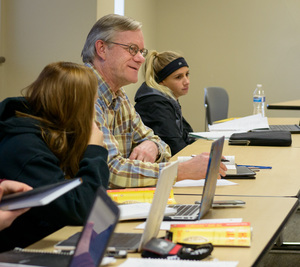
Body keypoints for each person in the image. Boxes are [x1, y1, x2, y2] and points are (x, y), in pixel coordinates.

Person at [81, 14, 226, 189]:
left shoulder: (118, 94)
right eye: (132, 49)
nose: (141, 59)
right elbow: (109, 171)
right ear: (102, 49)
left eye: (141, 52)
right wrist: (181, 171)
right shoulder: (83, 93)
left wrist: (152, 146)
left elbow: (161, 143)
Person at [0, 62, 109, 252]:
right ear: (78, 108)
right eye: (93, 103)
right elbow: (83, 210)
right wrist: (94, 150)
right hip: (23, 253)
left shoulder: (46, 133)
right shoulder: (25, 147)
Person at [135, 50, 196, 155]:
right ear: (161, 81)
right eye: (178, 77)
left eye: (187, 74)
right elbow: (176, 147)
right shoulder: (154, 104)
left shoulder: (167, 100)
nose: (187, 81)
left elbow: (188, 135)